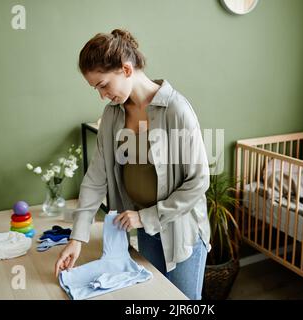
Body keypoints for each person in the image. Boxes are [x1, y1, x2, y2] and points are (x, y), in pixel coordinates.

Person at [54, 28, 211, 300]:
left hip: (180, 230)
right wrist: (76, 238)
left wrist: (146, 217)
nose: (102, 95)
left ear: (126, 70)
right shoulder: (112, 114)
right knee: (155, 298)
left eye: (103, 85)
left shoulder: (176, 110)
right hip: (145, 230)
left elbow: (199, 180)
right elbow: (96, 177)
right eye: (96, 88)